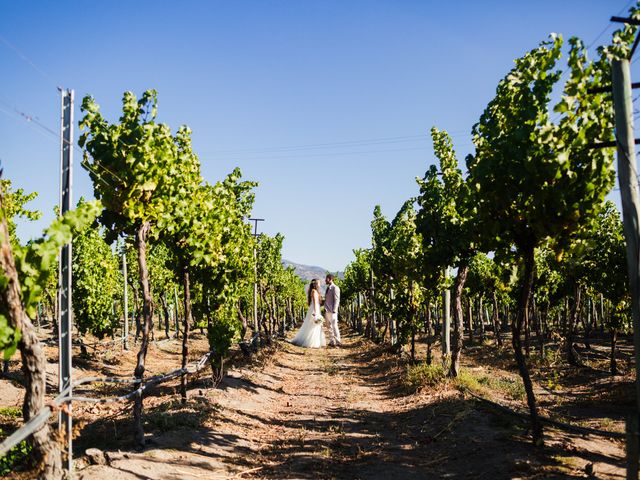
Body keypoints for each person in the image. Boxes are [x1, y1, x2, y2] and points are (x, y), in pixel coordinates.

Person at [290, 278, 326, 348]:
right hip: (315, 309)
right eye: (318, 283)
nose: (319, 284)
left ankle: (313, 341)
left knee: (311, 324)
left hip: (314, 308)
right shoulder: (314, 291)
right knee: (313, 325)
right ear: (315, 284)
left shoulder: (314, 291)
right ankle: (312, 342)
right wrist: (316, 313)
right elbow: (315, 303)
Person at [324, 274, 341, 346]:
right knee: (329, 326)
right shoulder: (328, 288)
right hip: (327, 310)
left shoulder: (335, 288)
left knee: (334, 326)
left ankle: (338, 341)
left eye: (326, 279)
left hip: (332, 311)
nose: (325, 280)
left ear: (330, 279)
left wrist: (334, 310)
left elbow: (337, 300)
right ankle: (332, 341)